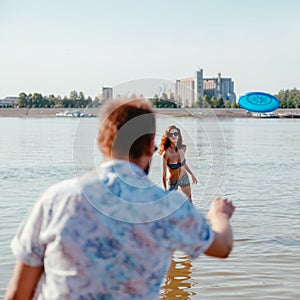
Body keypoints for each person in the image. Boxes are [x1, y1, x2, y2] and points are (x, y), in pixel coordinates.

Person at [5, 98, 235, 300]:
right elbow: (222, 247)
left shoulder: (55, 199)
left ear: (101, 142)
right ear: (149, 146)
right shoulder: (169, 207)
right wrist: (219, 215)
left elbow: (18, 294)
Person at [159, 125, 198, 201]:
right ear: (168, 137)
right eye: (170, 134)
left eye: (175, 134)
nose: (173, 136)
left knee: (189, 202)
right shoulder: (166, 154)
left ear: (179, 136)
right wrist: (165, 190)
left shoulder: (183, 148)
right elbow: (164, 174)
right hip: (173, 180)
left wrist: (192, 175)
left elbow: (183, 164)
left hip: (184, 178)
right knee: (169, 203)